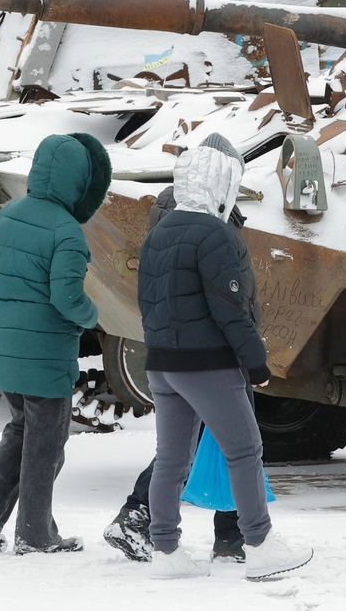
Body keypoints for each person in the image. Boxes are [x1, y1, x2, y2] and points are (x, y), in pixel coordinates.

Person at [137, 134, 313, 580]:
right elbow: (230, 307)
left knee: (171, 458)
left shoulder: (160, 231)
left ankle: (166, 552)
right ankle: (259, 543)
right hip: (207, 363)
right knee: (244, 449)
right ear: (221, 183)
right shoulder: (215, 233)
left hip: (162, 363)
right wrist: (256, 363)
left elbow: (147, 299)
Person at [0, 132, 112, 554]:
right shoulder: (68, 232)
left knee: (23, 429)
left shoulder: (7, 215)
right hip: (44, 357)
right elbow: (67, 298)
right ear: (78, 182)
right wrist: (94, 316)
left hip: (2, 351)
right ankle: (36, 536)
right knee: (47, 447)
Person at [103, 135, 257, 565]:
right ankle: (223, 536)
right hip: (210, 352)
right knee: (224, 447)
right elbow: (221, 296)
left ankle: (215, 534)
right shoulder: (198, 219)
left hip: (184, 351)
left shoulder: (173, 215)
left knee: (197, 447)